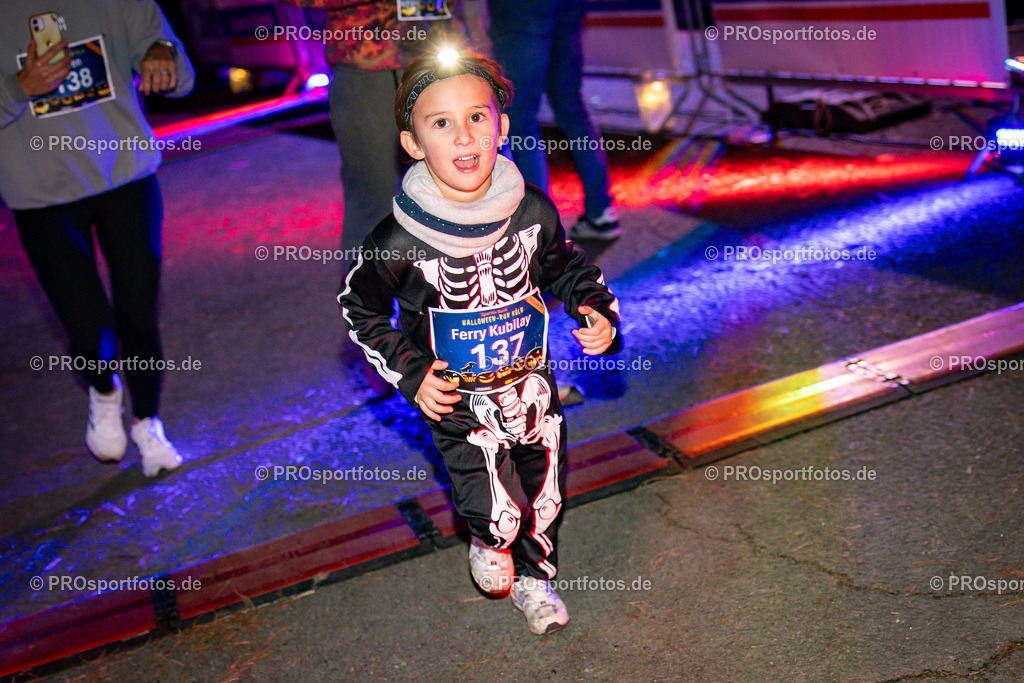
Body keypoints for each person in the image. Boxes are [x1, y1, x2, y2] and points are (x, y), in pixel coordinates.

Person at [338, 48, 622, 634]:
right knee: (497, 512)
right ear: (413, 144)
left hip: (534, 389)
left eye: (477, 117)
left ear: (502, 128)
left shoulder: (531, 211)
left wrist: (594, 308)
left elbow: (566, 266)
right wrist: (411, 373)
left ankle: (536, 583)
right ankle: (486, 537)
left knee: (545, 500)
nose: (464, 135)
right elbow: (359, 307)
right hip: (462, 405)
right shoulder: (399, 240)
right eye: (440, 122)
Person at [0, 0, 196, 476]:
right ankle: (104, 390)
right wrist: (17, 87)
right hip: (40, 193)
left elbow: (182, 74)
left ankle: (147, 422)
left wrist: (161, 53)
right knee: (89, 329)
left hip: (125, 175)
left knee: (139, 315)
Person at [488, 0, 621, 240]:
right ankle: (601, 213)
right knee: (571, 105)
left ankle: (543, 233)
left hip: (522, 9)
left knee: (520, 118)